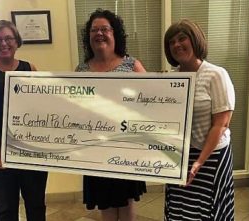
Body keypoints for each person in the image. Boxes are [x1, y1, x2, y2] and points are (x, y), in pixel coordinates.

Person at [0, 20, 48, 221]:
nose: (3, 43)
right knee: (5, 209)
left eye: (8, 38)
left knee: (36, 205)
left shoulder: (29, 68)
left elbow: (41, 108)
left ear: (16, 41)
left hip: (31, 150)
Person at [76, 9, 147, 221]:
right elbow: (75, 110)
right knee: (104, 202)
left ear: (115, 34)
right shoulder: (80, 70)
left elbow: (151, 104)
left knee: (126, 202)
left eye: (104, 29)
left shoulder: (132, 66)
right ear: (88, 37)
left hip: (125, 146)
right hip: (95, 149)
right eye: (94, 30)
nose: (99, 34)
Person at [163, 19, 235, 220]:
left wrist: (198, 162)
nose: (176, 45)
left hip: (210, 156)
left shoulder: (216, 75)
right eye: (171, 42)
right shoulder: (170, 79)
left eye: (182, 38)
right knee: (179, 206)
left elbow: (221, 124)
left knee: (207, 208)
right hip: (179, 156)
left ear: (195, 40)